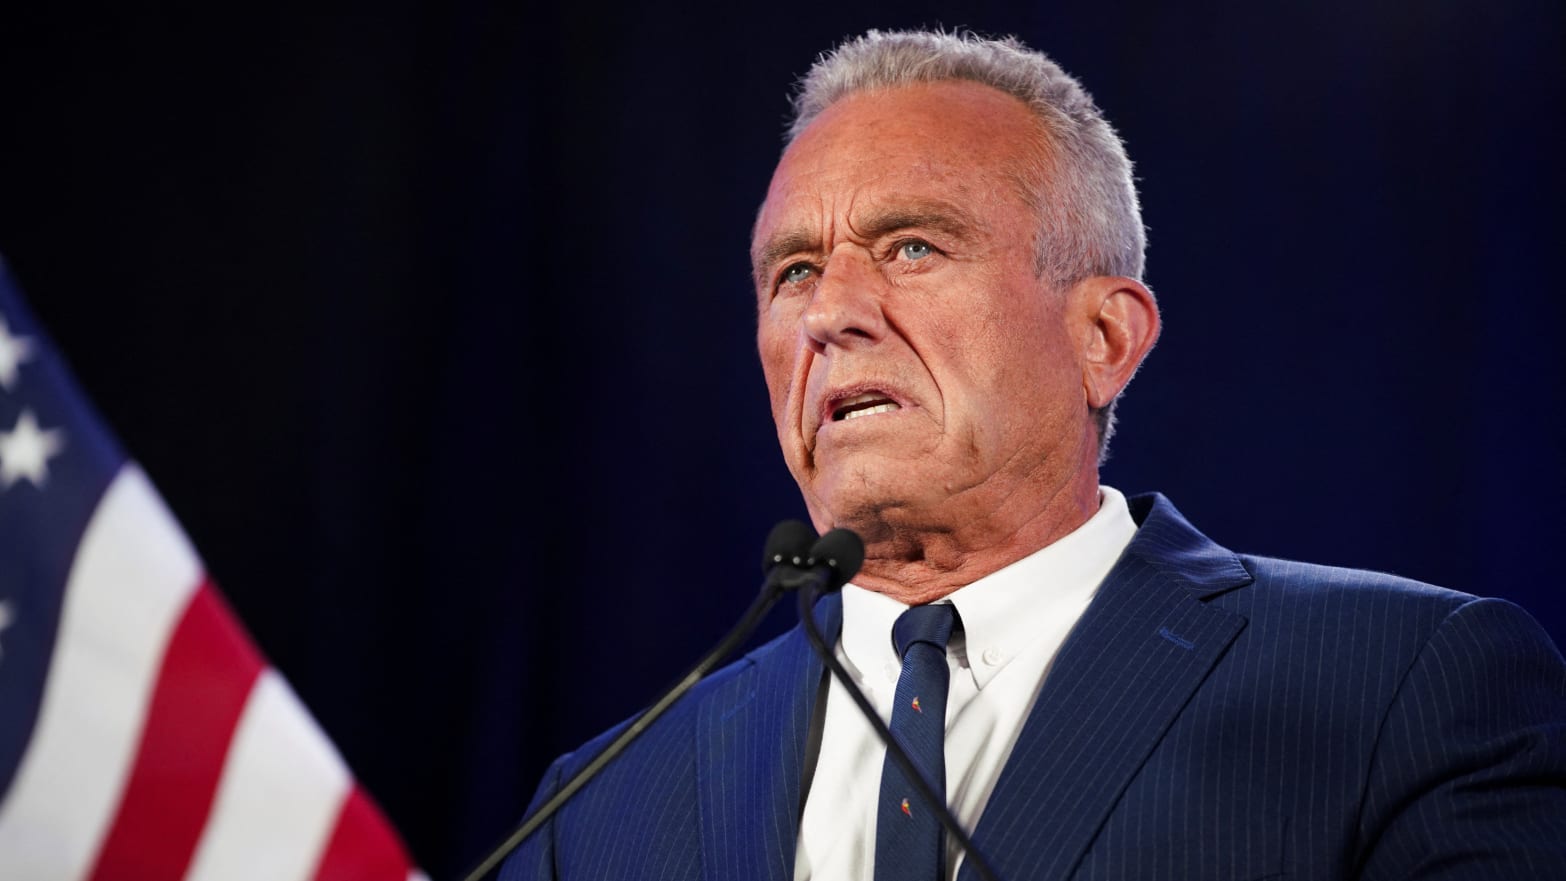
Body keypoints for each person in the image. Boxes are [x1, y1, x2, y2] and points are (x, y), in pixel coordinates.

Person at [499, 29, 1566, 880]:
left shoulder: (1402, 690)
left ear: (1104, 338)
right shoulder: (597, 806)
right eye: (792, 272)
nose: (830, 312)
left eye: (912, 245)